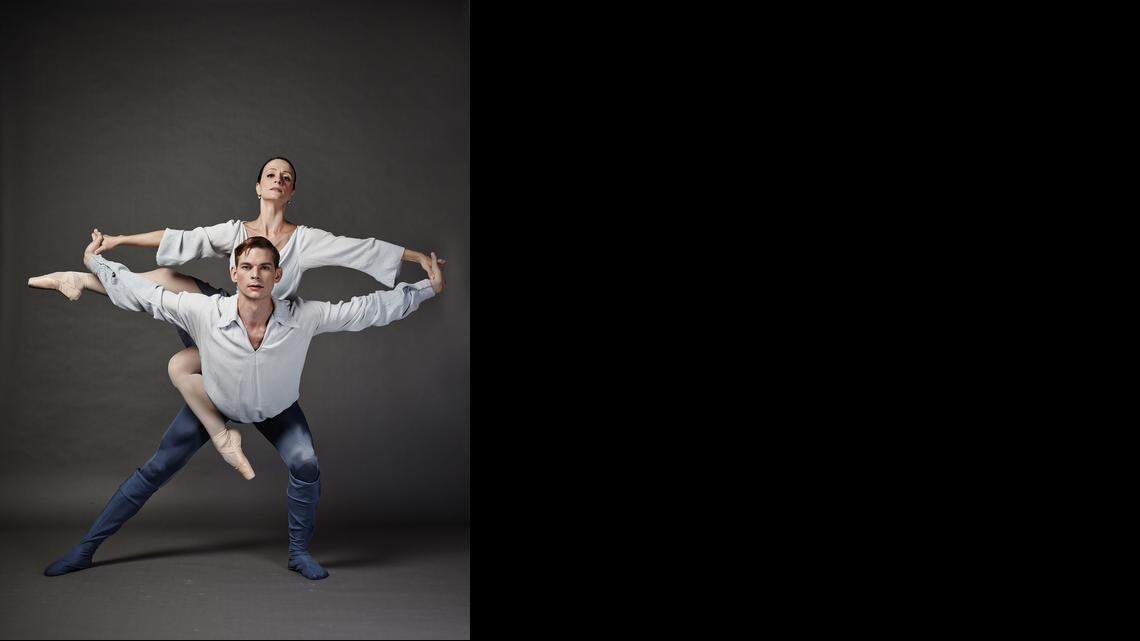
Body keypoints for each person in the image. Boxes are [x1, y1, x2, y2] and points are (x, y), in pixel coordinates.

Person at [44, 231, 444, 580]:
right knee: (156, 469)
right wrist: (95, 262)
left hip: (277, 411)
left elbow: (365, 310)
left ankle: (299, 553)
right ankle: (85, 550)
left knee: (306, 463)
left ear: (278, 275)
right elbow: (142, 293)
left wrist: (427, 289)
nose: (256, 274)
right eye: (248, 267)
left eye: (265, 268)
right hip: (216, 405)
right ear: (234, 274)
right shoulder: (204, 311)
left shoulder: (303, 316)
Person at [28, 157, 446, 479]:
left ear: (291, 190)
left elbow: (362, 249)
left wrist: (417, 260)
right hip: (228, 314)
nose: (278, 179)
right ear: (259, 186)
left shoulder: (307, 240)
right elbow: (179, 238)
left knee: (179, 364)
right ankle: (83, 279)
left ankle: (223, 434)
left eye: (286, 176)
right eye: (271, 174)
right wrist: (119, 240)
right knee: (166, 279)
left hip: (270, 329)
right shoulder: (236, 231)